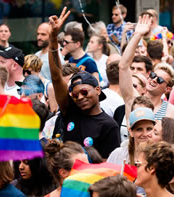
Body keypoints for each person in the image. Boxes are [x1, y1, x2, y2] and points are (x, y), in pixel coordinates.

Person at [48, 7, 120, 159]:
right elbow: (56, 77)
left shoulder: (109, 126)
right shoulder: (70, 112)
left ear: (98, 90)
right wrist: (53, 38)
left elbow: (108, 167)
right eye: (75, 95)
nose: (80, 97)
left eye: (84, 92)